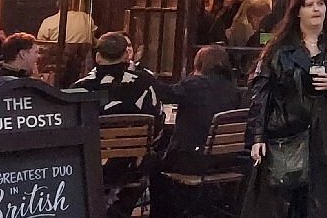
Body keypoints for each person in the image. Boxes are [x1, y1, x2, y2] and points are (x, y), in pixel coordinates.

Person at [246, 0, 327, 218]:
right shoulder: (279, 49)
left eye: (320, 4)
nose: (316, 9)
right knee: (283, 204)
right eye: (309, 5)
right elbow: (261, 92)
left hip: (324, 136)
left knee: (321, 204)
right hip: (286, 134)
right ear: (298, 11)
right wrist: (258, 136)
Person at [74, 32, 164, 218]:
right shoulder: (145, 83)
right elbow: (157, 127)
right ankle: (119, 211)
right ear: (126, 56)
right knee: (156, 157)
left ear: (98, 57)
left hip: (89, 167)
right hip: (131, 167)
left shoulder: (79, 88)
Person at [151, 45, 243, 216]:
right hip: (225, 160)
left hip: (193, 160)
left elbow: (165, 93)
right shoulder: (232, 89)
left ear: (199, 63)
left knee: (152, 163)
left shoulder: (195, 85)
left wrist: (146, 77)